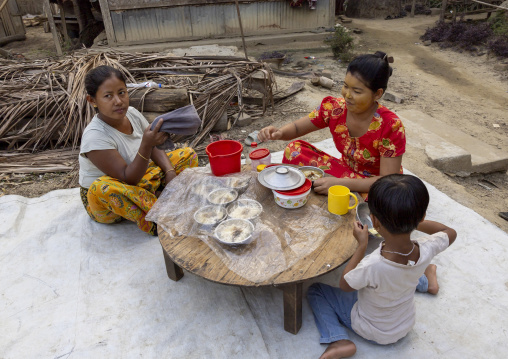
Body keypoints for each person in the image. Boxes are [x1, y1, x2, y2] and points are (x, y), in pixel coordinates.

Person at [307, 174, 457, 359]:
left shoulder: (372, 265)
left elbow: (345, 285)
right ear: (422, 217)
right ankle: (428, 283)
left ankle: (338, 340)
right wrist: (412, 220)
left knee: (316, 291)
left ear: (374, 221)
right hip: (404, 325)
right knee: (405, 273)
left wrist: (361, 246)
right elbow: (449, 232)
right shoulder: (427, 247)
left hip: (371, 330)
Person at [258, 51, 404, 195]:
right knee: (294, 150)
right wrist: (279, 133)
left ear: (377, 94)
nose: (347, 95)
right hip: (342, 171)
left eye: (357, 91)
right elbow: (297, 128)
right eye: (346, 86)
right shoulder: (334, 108)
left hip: (374, 184)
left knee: (386, 203)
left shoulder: (390, 126)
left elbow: (388, 182)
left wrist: (341, 184)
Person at [78, 65, 198, 235]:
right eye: (108, 96)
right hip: (109, 198)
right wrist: (146, 144)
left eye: (121, 92)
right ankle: (159, 215)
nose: (118, 101)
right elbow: (129, 178)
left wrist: (170, 171)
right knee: (101, 188)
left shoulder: (132, 113)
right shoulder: (95, 136)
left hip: (139, 178)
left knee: (187, 155)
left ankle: (156, 195)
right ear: (92, 101)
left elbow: (154, 146)